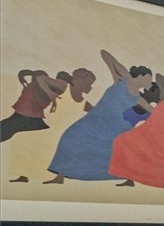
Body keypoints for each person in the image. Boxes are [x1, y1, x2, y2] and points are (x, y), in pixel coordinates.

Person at [45, 52, 158, 184]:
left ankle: (130, 178)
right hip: (94, 121)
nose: (149, 82)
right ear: (141, 76)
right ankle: (60, 176)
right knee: (70, 137)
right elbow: (105, 55)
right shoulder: (121, 79)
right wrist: (124, 72)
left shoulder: (139, 98)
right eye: (148, 79)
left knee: (121, 152)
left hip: (115, 129)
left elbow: (155, 113)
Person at [2, 65, 94, 142]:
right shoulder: (63, 85)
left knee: (11, 127)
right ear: (79, 79)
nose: (90, 87)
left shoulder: (80, 100)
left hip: (33, 111)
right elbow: (40, 78)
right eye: (89, 83)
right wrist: (51, 95)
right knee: (10, 127)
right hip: (30, 108)